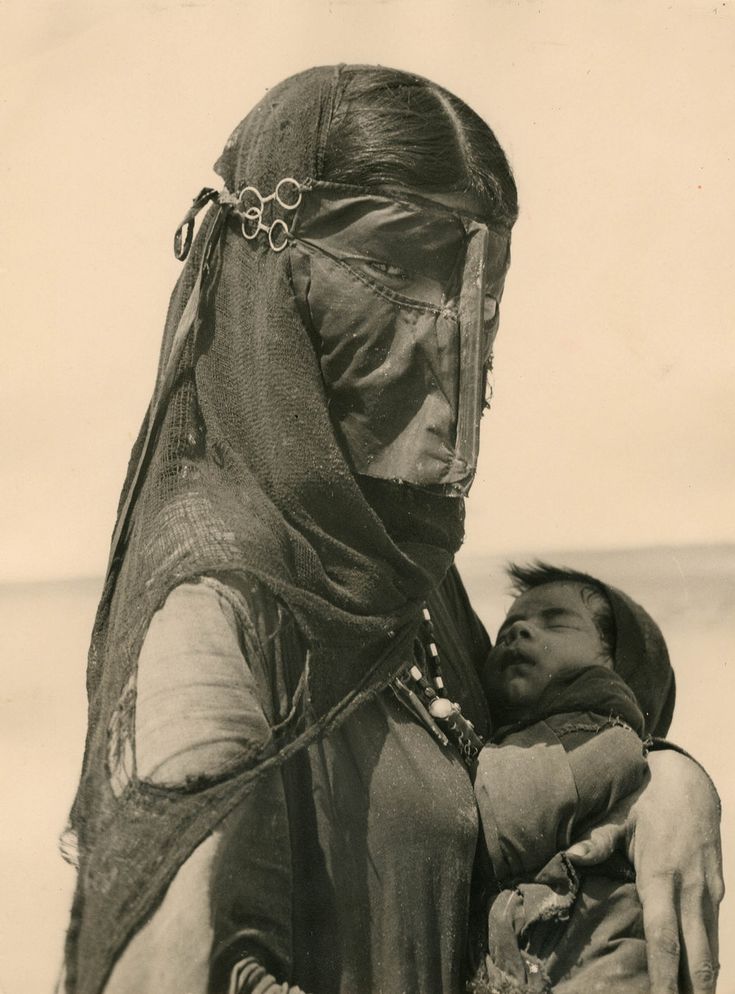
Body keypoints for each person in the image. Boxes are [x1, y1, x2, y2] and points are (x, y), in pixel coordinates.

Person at [60, 66, 723, 994]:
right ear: (287, 292)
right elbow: (176, 973)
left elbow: (508, 783)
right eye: (399, 283)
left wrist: (668, 778)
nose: (444, 345)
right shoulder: (216, 605)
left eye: (466, 295)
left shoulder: (403, 577)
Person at [470, 562, 680, 993]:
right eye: (509, 624)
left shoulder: (594, 737)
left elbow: (500, 822)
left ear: (618, 666)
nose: (519, 631)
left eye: (556, 623)